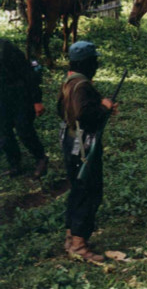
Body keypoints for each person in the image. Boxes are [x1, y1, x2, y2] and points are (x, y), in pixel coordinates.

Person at [57, 41, 117, 262]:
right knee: (89, 191)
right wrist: (103, 108)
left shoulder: (70, 80)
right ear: (86, 63)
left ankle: (71, 236)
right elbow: (85, 115)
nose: (97, 64)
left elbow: (61, 110)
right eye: (94, 61)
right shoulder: (82, 85)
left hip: (70, 142)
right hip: (82, 147)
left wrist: (101, 106)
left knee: (78, 189)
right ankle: (79, 245)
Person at [0, 38, 48, 178]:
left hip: (20, 97)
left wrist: (36, 100)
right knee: (4, 134)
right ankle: (15, 165)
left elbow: (28, 73)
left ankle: (41, 158)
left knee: (24, 129)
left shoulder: (6, 47)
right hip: (2, 100)